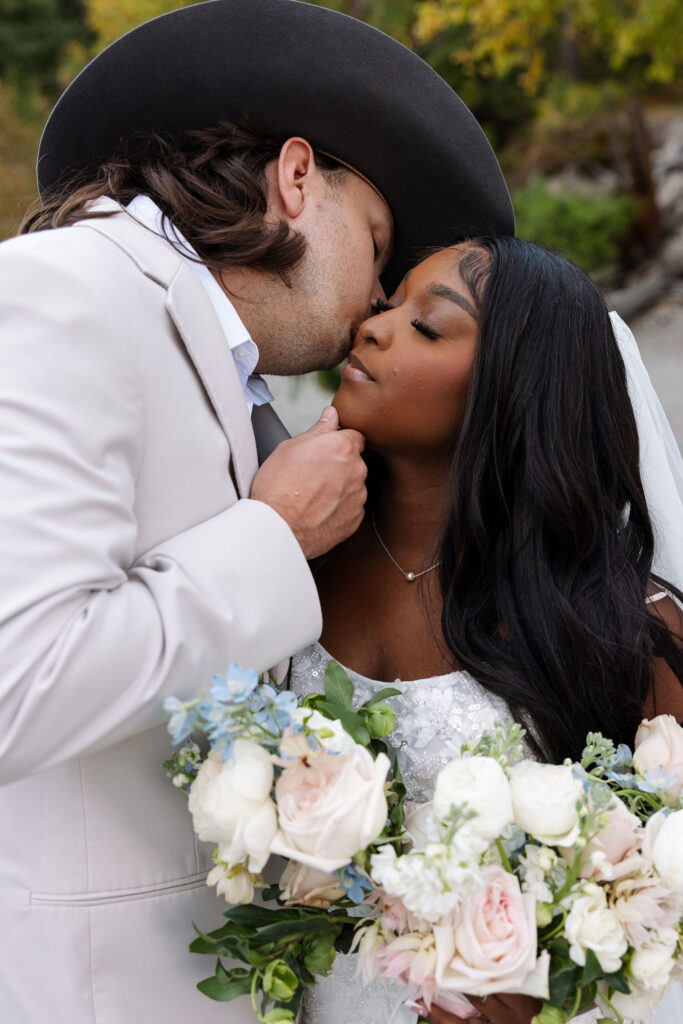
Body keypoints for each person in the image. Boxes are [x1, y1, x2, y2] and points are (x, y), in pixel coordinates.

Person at [0, 2, 517, 1021]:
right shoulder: (64, 290)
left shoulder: (228, 375)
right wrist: (272, 540)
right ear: (292, 182)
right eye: (375, 243)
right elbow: (21, 683)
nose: (374, 300)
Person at [289, 237, 683, 1024]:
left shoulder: (616, 626)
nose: (373, 327)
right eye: (388, 300)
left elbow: (660, 891)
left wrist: (543, 977)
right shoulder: (292, 561)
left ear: (514, 388)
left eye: (428, 326)